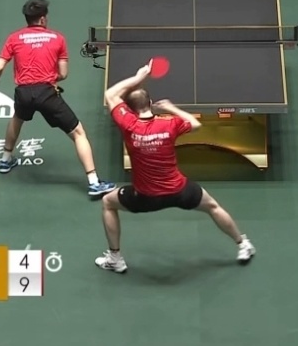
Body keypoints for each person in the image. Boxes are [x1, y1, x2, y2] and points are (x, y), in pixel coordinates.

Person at [94, 61, 256, 273]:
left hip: (145, 197)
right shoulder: (169, 124)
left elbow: (110, 94)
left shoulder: (128, 125)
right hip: (180, 191)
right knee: (213, 207)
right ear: (150, 103)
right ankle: (243, 244)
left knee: (108, 202)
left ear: (129, 110)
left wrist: (138, 77)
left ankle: (115, 258)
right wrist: (170, 108)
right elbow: (196, 124)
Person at [0, 0, 116, 198]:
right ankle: (94, 182)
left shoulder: (14, 38)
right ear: (42, 19)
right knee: (78, 133)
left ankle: (5, 159)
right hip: (46, 93)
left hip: (23, 93)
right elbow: (63, 74)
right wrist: (48, 76)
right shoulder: (58, 38)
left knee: (17, 118)